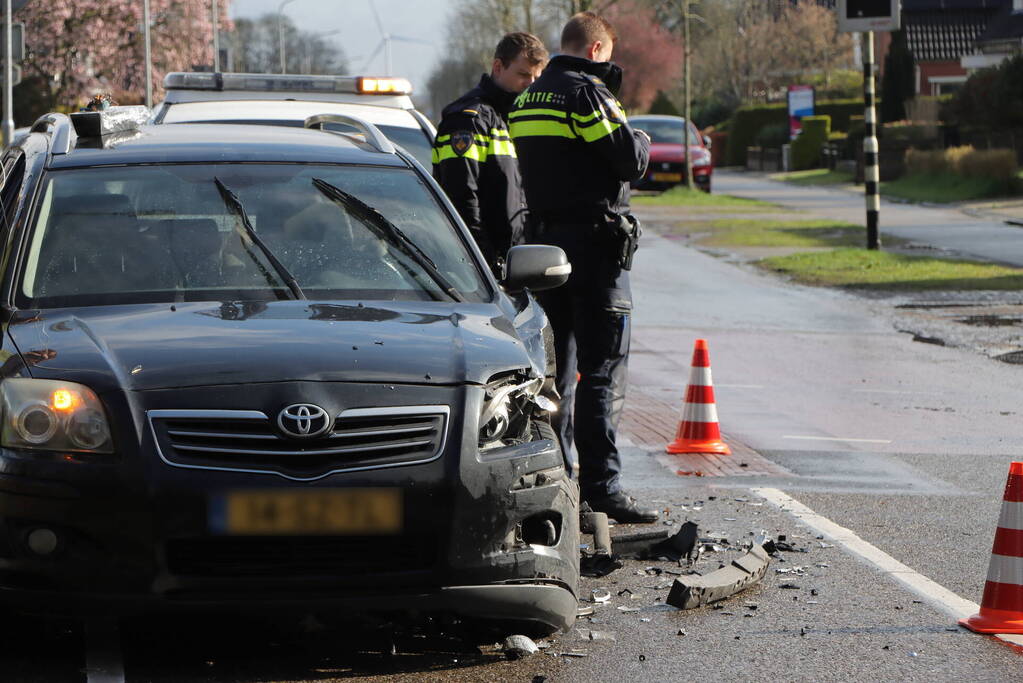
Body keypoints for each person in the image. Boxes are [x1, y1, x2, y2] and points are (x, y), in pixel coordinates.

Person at [509, 12, 655, 523]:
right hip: (595, 250)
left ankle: (557, 479)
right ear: (596, 50)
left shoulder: (527, 98)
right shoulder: (588, 95)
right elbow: (628, 160)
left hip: (546, 250)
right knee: (602, 371)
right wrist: (637, 133)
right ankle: (602, 488)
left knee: (553, 374)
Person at [432, 33, 547, 274]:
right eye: (524, 74)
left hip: (515, 261)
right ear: (498, 67)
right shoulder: (468, 120)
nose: (531, 83)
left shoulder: (515, 117)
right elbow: (461, 198)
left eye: (537, 77)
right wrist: (484, 261)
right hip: (480, 269)